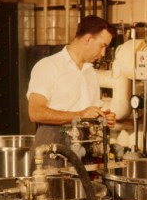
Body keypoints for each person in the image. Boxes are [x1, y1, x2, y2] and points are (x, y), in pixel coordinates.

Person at [27, 15, 117, 161]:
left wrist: (102, 117)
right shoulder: (48, 66)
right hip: (53, 144)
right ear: (88, 39)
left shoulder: (90, 73)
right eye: (102, 46)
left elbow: (89, 113)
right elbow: (35, 112)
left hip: (83, 145)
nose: (102, 54)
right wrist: (79, 115)